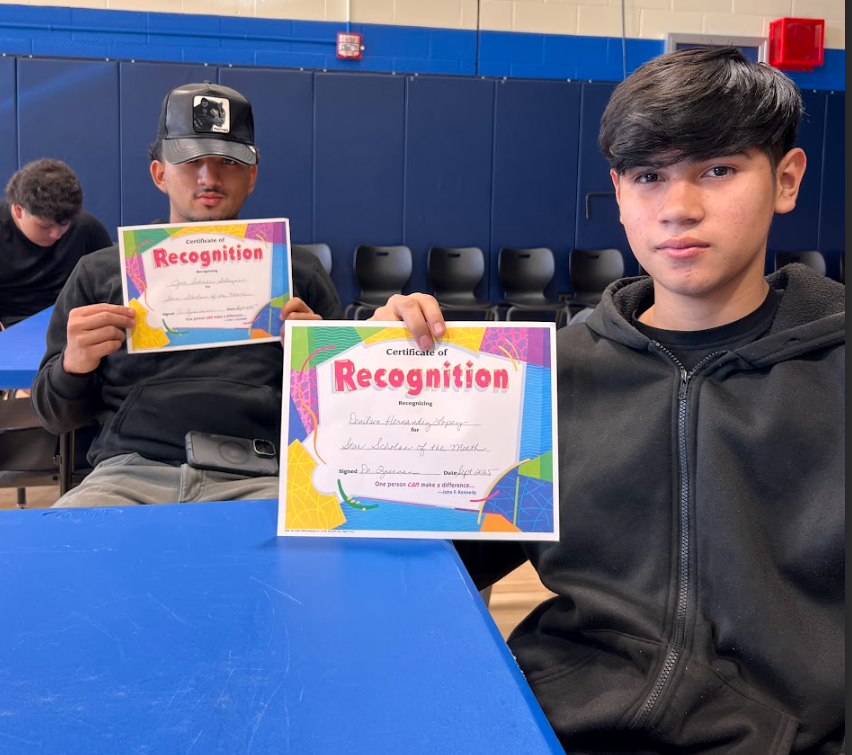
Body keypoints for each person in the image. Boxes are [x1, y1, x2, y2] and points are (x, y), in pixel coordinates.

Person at [373, 48, 845, 754]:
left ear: (785, 179)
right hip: (563, 726)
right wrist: (384, 410)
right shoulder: (548, 374)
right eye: (650, 176)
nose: (679, 208)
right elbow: (428, 573)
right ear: (619, 195)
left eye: (718, 169)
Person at [31, 81, 343, 507]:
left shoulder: (298, 272)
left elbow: (337, 419)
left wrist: (314, 362)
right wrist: (74, 364)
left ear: (251, 176)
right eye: (190, 160)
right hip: (127, 475)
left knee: (313, 563)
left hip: (260, 477)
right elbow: (54, 416)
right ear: (159, 173)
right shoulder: (102, 272)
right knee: (60, 560)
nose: (209, 177)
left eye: (228, 162)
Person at [0, 159, 112, 330]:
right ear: (18, 210)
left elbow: (111, 288)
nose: (57, 234)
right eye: (44, 226)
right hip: (10, 326)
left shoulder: (86, 228)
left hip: (70, 323)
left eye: (65, 224)